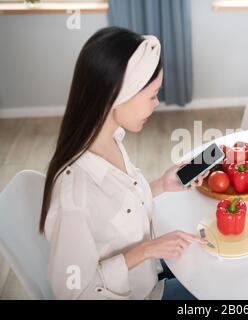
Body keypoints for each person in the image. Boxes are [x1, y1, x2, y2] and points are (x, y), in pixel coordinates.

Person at [39, 27, 208, 300]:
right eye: (152, 95)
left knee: (211, 261)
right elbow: (72, 292)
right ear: (119, 94)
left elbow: (117, 212)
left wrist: (160, 185)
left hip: (150, 270)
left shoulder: (111, 138)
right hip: (142, 292)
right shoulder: (74, 193)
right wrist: (146, 250)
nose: (156, 104)